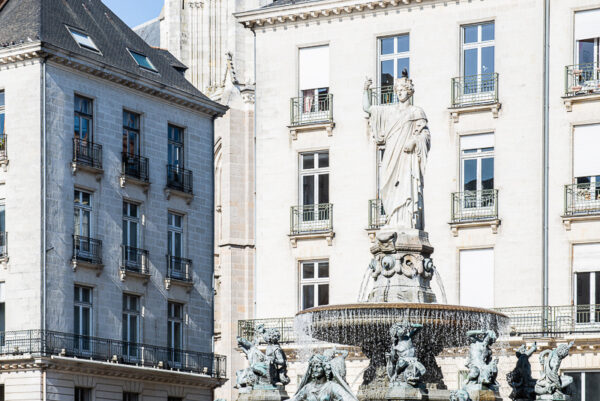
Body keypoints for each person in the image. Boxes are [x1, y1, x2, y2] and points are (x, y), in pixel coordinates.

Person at [363, 70, 431, 231]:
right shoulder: (388, 111)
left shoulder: (416, 112)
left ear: (409, 91)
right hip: (390, 155)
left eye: (403, 90)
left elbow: (425, 135)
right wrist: (365, 90)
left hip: (406, 158)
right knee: (385, 186)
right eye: (398, 90)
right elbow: (367, 108)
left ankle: (405, 221)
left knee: (406, 186)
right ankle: (392, 219)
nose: (400, 93)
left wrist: (414, 141)